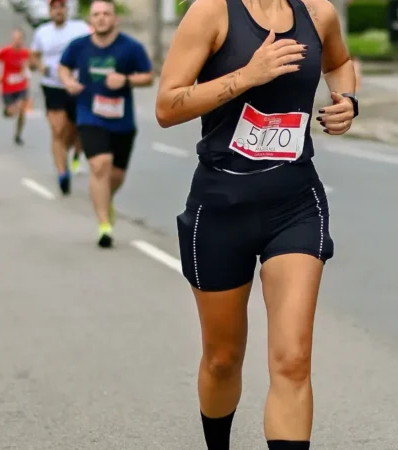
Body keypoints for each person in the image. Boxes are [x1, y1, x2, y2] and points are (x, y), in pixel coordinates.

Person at [155, 0, 358, 445]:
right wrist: (248, 76)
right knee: (222, 359)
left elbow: (340, 63)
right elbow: (167, 106)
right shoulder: (211, 13)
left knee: (293, 360)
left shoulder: (318, 14)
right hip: (221, 204)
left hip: (295, 203)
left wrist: (348, 101)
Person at [58, 0, 153, 248]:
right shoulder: (78, 46)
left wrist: (126, 80)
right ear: (90, 20)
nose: (101, 18)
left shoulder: (131, 47)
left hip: (122, 121)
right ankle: (104, 226)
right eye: (96, 14)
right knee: (100, 165)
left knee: (116, 175)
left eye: (106, 14)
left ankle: (105, 199)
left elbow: (148, 76)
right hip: (90, 115)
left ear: (115, 19)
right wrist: (68, 82)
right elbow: (63, 67)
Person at [30, 0, 89, 195]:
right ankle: (62, 173)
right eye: (54, 8)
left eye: (61, 7)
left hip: (75, 86)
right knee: (57, 130)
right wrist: (40, 67)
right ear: (49, 11)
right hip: (52, 86)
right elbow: (34, 56)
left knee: (76, 129)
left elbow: (94, 45)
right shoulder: (42, 32)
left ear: (66, 9)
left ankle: (73, 153)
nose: (58, 11)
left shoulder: (80, 28)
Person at [0, 28, 30, 146]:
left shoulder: (26, 53)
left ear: (23, 40)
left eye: (19, 39)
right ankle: (8, 110)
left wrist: (27, 67)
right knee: (11, 112)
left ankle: (18, 134)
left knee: (21, 109)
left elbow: (32, 64)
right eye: (15, 39)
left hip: (21, 86)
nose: (17, 41)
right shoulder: (5, 51)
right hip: (8, 87)